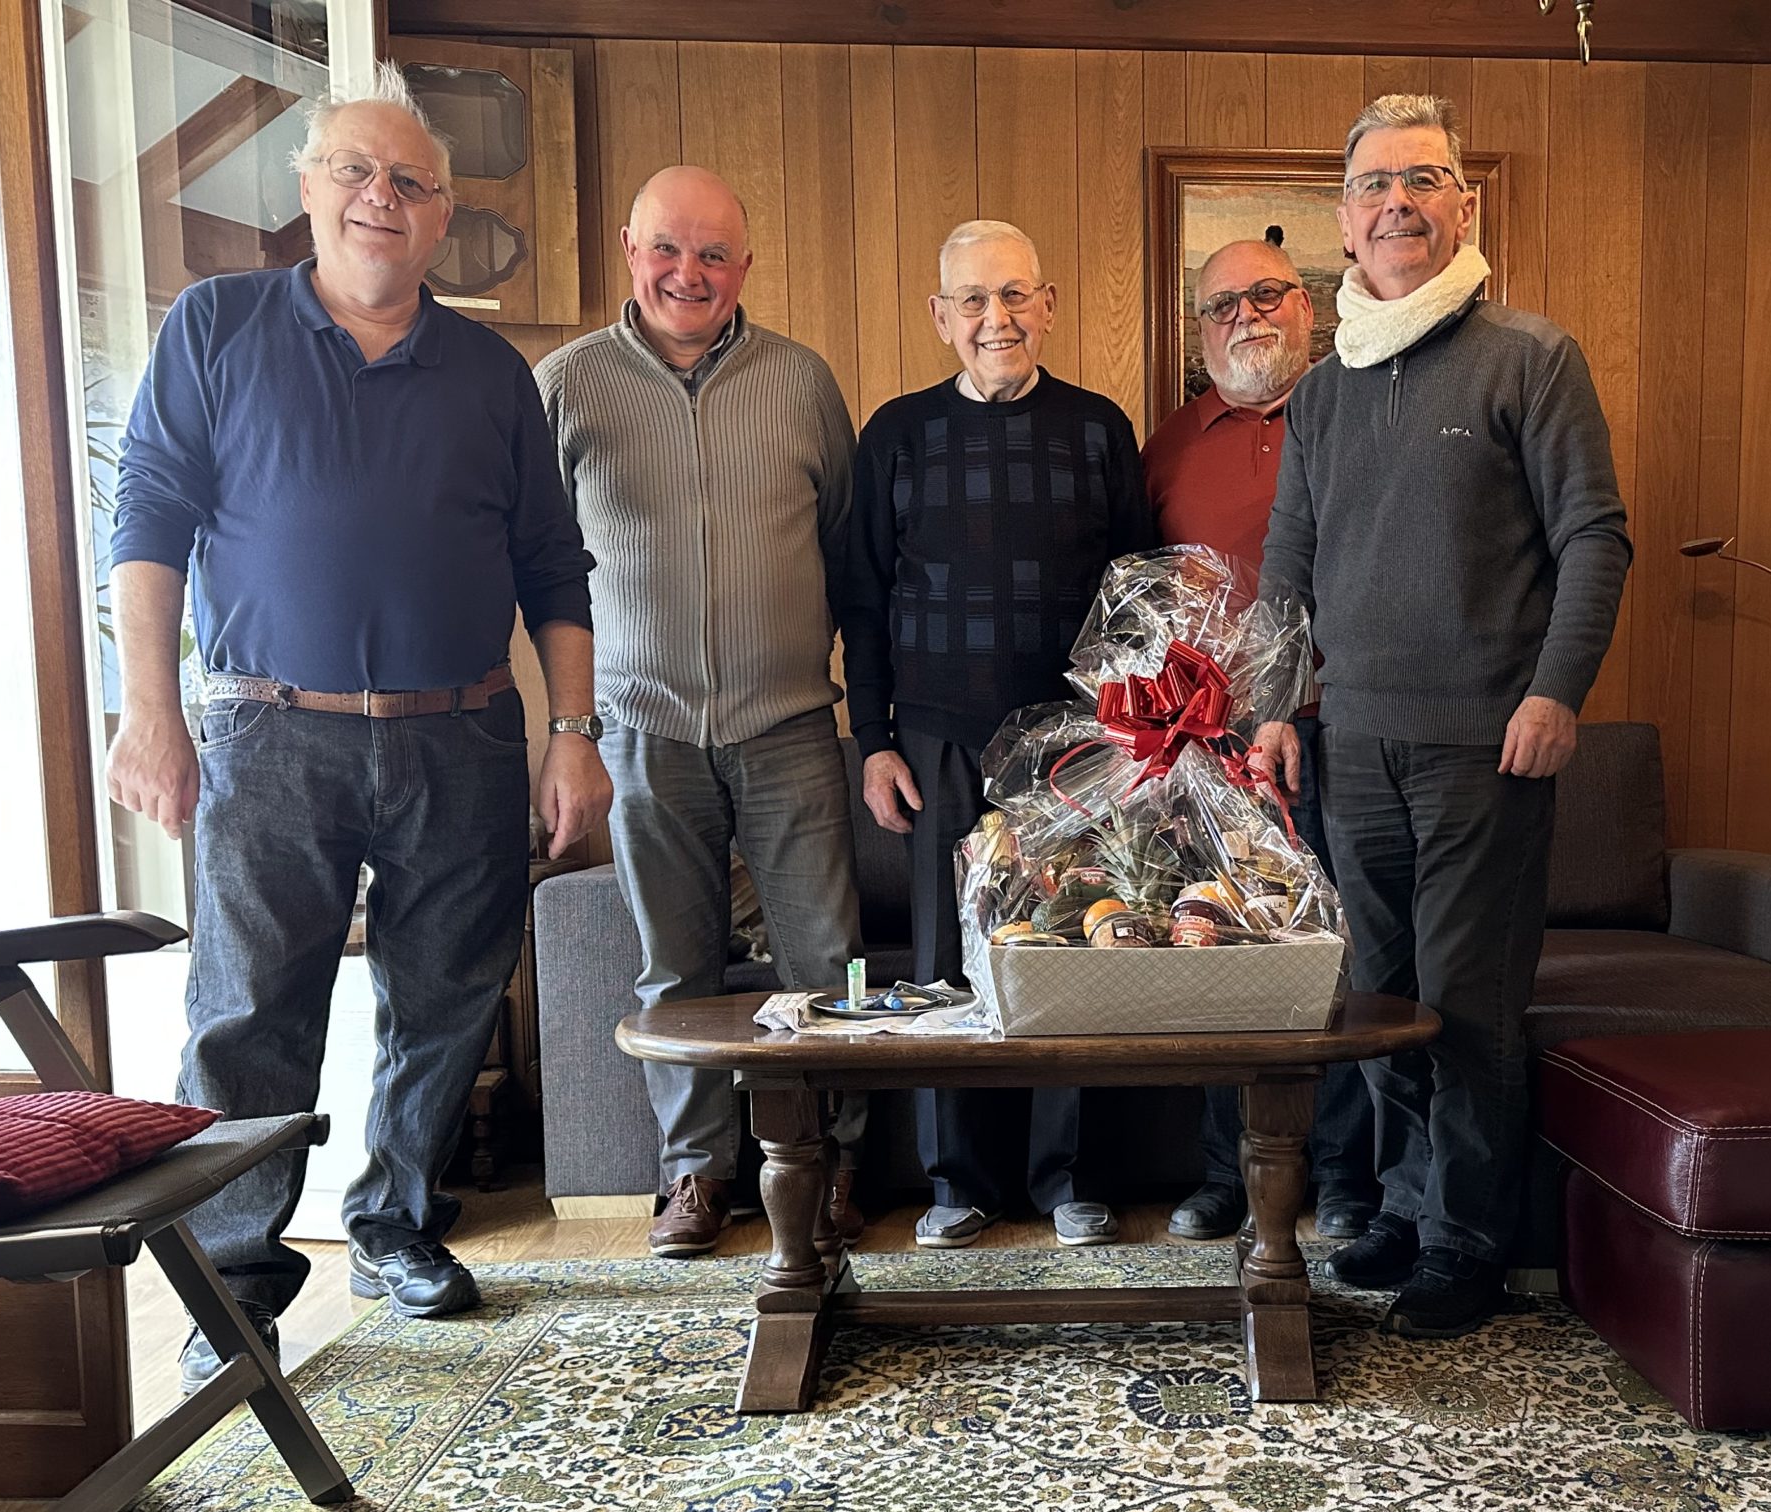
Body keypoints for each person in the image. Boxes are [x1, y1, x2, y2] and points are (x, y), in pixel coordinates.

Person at [105, 65, 606, 1391]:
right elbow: (147, 518)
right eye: (355, 171)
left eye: (411, 182)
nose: (382, 197)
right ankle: (236, 1287)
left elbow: (554, 567)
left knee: (447, 998)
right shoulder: (216, 327)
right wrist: (149, 712)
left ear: (441, 216)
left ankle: (395, 1223)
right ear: (309, 189)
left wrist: (574, 731)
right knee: (248, 1016)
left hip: (464, 734)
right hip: (270, 735)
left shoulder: (493, 373)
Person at [1256, 95, 1632, 1338]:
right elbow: (1287, 568)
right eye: (1374, 185)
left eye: (1422, 180)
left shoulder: (1531, 356)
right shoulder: (1320, 394)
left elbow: (1594, 536)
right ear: (1343, 223)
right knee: (1382, 998)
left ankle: (1467, 1239)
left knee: (1468, 1006)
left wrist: (1556, 691)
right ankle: (1407, 1210)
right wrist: (1275, 706)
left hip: (1487, 744)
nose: (1397, 204)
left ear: (1463, 208)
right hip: (1352, 748)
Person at [538, 165, 870, 1260]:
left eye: (715, 253)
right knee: (673, 967)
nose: (691, 272)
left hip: (789, 724)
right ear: (630, 252)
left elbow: (850, 553)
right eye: (669, 249)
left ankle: (829, 1163)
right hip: (643, 729)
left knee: (827, 958)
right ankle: (695, 1172)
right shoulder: (567, 385)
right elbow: (539, 565)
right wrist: (567, 730)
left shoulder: (801, 381)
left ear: (745, 266)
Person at [841, 219, 1156, 1250]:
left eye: (1015, 295)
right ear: (941, 316)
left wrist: (1130, 736)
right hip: (936, 740)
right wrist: (873, 741)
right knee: (948, 960)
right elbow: (863, 602)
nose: (996, 319)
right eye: (973, 300)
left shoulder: (1098, 429)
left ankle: (1071, 1178)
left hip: (1076, 746)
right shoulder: (896, 433)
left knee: (1074, 942)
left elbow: (1134, 596)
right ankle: (958, 1182)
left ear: (1048, 306)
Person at [1143, 237, 1377, 1247]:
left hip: (1345, 733)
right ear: (1199, 329)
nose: (1246, 316)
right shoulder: (1169, 444)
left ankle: (1349, 1178)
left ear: (1309, 307)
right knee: (1217, 955)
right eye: (1222, 304)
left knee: (1341, 958)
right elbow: (1137, 594)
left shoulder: (1361, 408)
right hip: (1211, 749)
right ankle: (1225, 1174)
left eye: (1268, 295)